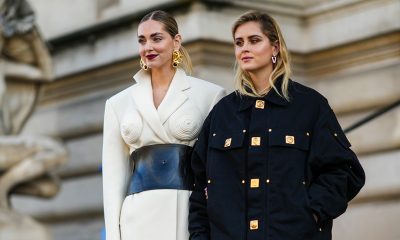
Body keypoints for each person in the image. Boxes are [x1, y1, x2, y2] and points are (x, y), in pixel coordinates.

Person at [189, 10, 365, 240]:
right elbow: (200, 186)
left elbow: (344, 172)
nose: (244, 48)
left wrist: (309, 215)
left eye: (254, 40)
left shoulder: (309, 105)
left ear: (275, 48)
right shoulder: (222, 113)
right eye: (238, 43)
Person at [102, 10, 225, 240]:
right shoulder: (118, 103)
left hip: (186, 214)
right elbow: (113, 180)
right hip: (135, 216)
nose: (148, 46)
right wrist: (113, 235)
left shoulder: (210, 94)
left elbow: (216, 175)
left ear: (176, 41)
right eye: (142, 40)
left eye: (156, 38)